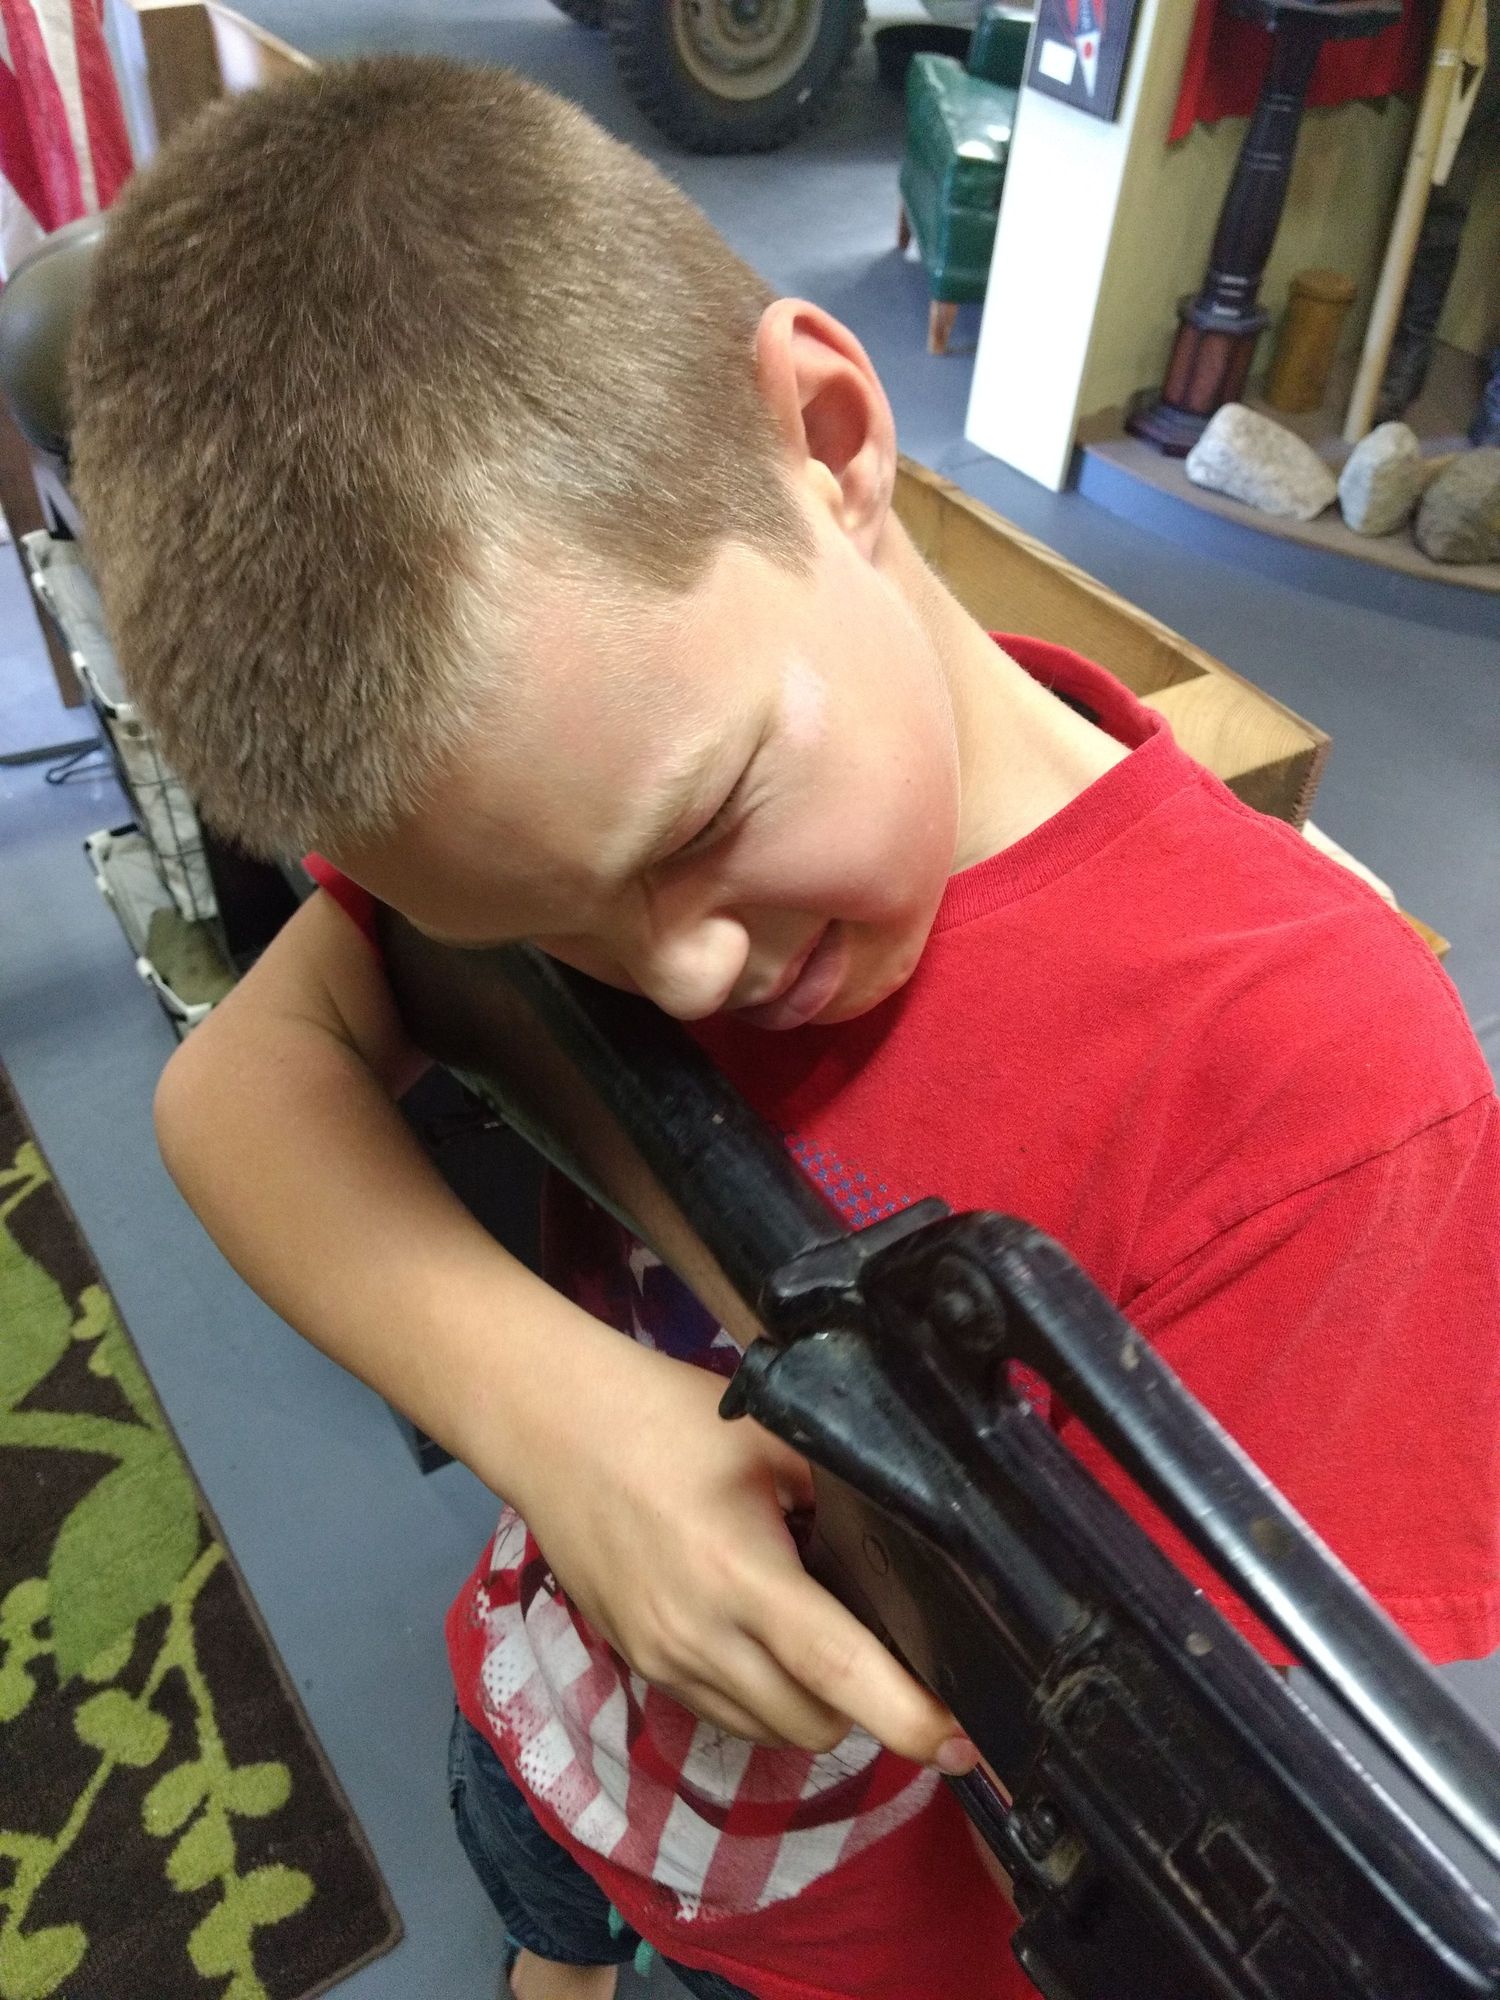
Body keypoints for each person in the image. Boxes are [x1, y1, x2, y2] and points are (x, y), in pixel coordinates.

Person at [69, 54, 1500, 2000]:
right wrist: (552, 1414)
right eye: (536, 929)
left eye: (701, 829)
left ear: (832, 440)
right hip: (568, 1711)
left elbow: (1230, 1825)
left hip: (882, 1945)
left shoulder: (1327, 1100)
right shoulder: (550, 771)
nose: (670, 975)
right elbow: (241, 1082)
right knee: (544, 1895)